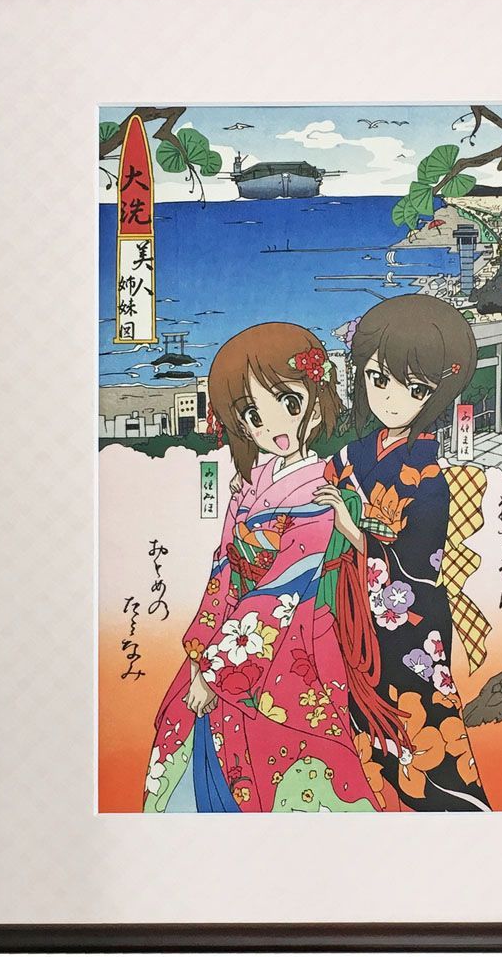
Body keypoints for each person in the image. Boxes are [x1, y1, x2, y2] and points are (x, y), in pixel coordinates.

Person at [143, 323, 382, 813]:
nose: (272, 425)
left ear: (317, 399)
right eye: (253, 414)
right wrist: (201, 657)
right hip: (234, 636)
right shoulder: (250, 484)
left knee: (283, 762)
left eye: (289, 402)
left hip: (292, 643)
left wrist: (216, 672)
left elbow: (279, 592)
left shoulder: (319, 493)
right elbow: (225, 571)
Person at [313, 295, 493, 811]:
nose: (391, 399)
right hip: (353, 611)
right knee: (359, 724)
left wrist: (353, 529)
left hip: (407, 620)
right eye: (378, 379)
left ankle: (449, 803)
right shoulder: (351, 455)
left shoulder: (430, 474)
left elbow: (419, 561)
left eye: (414, 389)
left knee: (421, 720)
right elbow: (324, 488)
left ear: (438, 391)